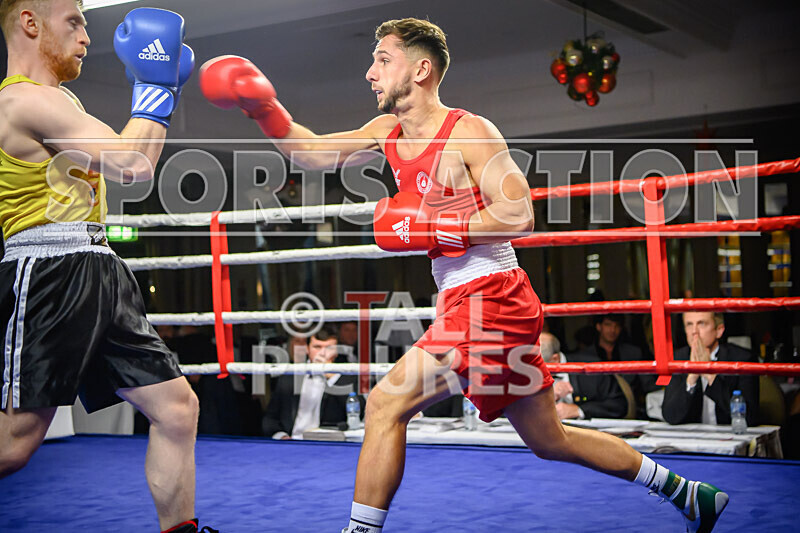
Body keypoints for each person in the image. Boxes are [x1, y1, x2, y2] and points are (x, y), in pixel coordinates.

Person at [198, 18, 729, 532]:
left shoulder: (469, 131)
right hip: (460, 299)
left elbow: (519, 213)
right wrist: (261, 108)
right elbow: (310, 154)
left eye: (383, 59)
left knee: (385, 402)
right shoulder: (386, 131)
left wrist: (430, 226)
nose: (370, 73)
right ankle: (689, 494)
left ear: (422, 70)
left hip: (493, 294)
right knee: (551, 440)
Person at [0, 2, 214, 532]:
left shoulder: (60, 100)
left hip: (97, 265)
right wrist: (157, 82)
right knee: (13, 443)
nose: (86, 34)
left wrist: (163, 90)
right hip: (48, 269)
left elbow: (134, 168)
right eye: (73, 21)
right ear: (31, 23)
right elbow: (127, 160)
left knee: (177, 409)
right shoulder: (22, 101)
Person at [262, 326, 364, 439]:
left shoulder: (348, 378)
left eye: (329, 348)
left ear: (336, 351)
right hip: (291, 442)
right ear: (307, 348)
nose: (323, 353)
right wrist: (281, 436)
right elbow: (270, 419)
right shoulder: (289, 376)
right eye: (317, 347)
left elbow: (360, 414)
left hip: (326, 446)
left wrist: (332, 377)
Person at [662, 312, 759, 426]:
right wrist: (692, 378)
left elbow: (750, 417)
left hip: (729, 435)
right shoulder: (678, 358)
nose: (694, 331)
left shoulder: (742, 358)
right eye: (689, 324)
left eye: (701, 324)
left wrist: (709, 373)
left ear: (719, 330)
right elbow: (670, 416)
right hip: (694, 438)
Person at [580, 313, 658, 417]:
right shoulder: (585, 356)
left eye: (617, 326)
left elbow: (647, 383)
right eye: (608, 325)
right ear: (599, 327)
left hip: (630, 408)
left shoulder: (633, 353)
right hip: (597, 410)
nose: (613, 330)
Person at [541, 331, 627, 420]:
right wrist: (547, 396)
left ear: (555, 359)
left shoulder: (590, 368)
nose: (532, 371)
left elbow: (619, 405)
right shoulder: (528, 373)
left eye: (537, 365)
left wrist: (578, 410)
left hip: (583, 430)